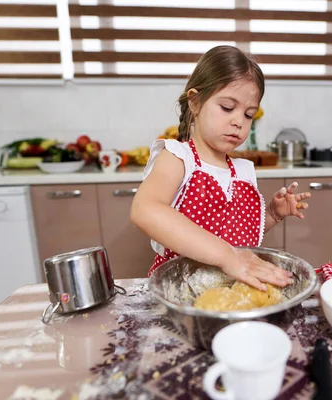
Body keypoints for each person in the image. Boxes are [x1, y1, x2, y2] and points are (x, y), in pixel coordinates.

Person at [130, 45, 311, 291]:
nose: (238, 121)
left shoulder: (243, 171)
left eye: (249, 115)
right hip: (183, 289)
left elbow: (238, 231)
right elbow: (145, 210)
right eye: (227, 107)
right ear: (195, 102)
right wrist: (227, 256)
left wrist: (272, 215)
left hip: (231, 289)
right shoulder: (178, 158)